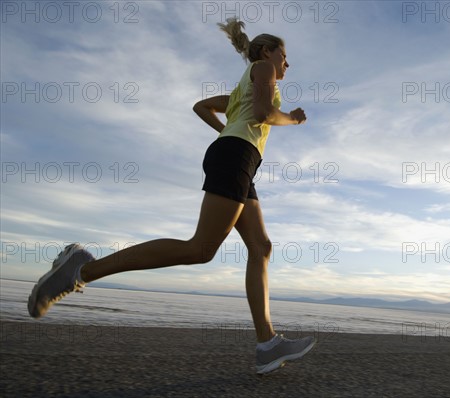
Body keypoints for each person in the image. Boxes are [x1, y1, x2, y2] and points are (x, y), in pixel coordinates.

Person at [27, 17, 315, 375]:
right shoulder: (262, 69)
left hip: (239, 157)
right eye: (284, 55)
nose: (287, 63)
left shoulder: (248, 83)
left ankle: (267, 344)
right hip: (236, 157)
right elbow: (264, 113)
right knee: (200, 249)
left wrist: (228, 131)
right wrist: (292, 118)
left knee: (261, 247)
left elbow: (202, 106)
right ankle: (81, 270)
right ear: (266, 51)